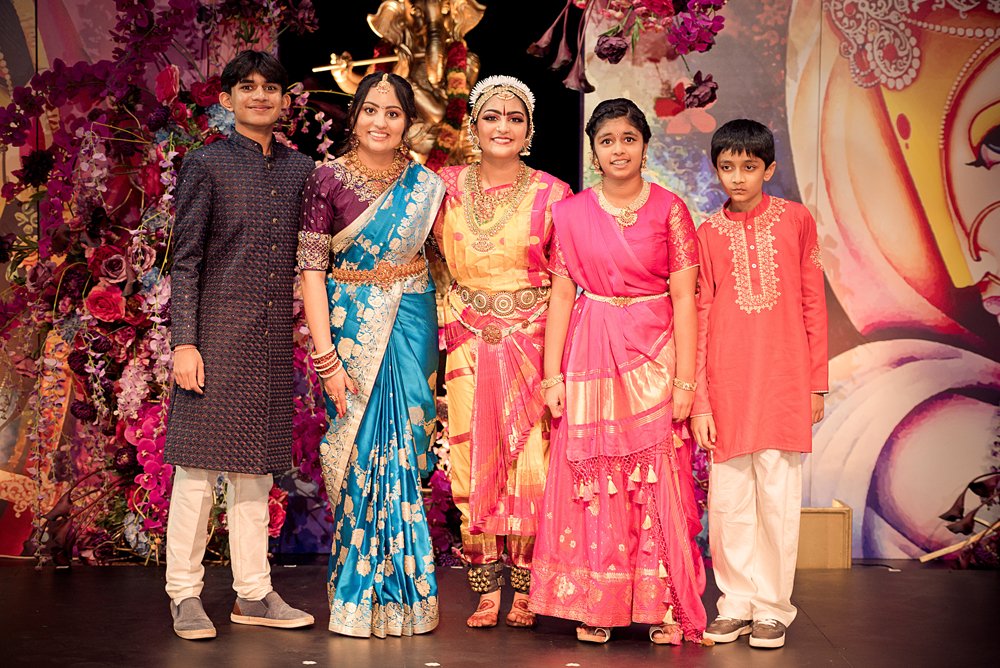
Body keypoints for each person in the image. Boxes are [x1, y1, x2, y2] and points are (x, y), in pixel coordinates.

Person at [528, 98, 708, 645]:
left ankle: (663, 603)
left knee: (658, 475)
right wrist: (552, 376)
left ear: (644, 146)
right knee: (595, 475)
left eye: (628, 139)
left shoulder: (670, 209)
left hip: (656, 353)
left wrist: (685, 381)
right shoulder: (572, 214)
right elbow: (562, 297)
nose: (618, 150)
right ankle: (598, 604)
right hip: (590, 352)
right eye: (607, 141)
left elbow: (686, 298)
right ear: (594, 152)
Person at [165, 50, 316, 640]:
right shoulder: (207, 164)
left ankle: (253, 593)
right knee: (197, 474)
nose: (260, 96)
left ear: (285, 99)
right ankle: (184, 593)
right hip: (214, 339)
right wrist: (184, 343)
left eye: (271, 87)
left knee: (255, 474)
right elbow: (185, 260)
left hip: (271, 341)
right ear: (226, 100)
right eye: (246, 87)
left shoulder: (302, 170)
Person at [297, 71, 445, 638]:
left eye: (393, 113)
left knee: (404, 452)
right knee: (359, 451)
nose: (380, 122)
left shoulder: (426, 186)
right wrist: (327, 359)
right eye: (371, 110)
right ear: (354, 116)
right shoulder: (325, 180)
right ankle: (357, 594)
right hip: (351, 332)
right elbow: (312, 273)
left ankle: (409, 593)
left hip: (412, 321)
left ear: (408, 123)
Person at [435, 75, 572, 628]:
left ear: (529, 130)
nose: (503, 127)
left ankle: (525, 588)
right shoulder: (443, 188)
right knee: (472, 460)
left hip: (532, 344)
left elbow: (566, 279)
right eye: (491, 117)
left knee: (531, 462)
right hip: (467, 340)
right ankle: (486, 588)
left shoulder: (554, 193)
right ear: (473, 126)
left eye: (515, 118)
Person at [691, 119, 828, 649]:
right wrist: (701, 401)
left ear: (769, 169)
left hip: (784, 382)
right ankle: (735, 604)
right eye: (727, 167)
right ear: (716, 170)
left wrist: (816, 384)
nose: (738, 177)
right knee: (728, 502)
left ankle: (772, 607)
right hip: (726, 386)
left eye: (749, 167)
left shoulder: (796, 221)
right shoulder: (707, 233)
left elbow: (813, 302)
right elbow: (701, 315)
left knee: (777, 498)